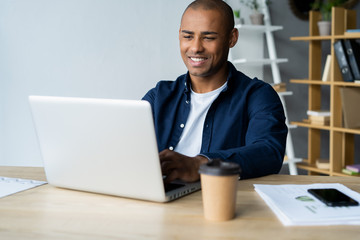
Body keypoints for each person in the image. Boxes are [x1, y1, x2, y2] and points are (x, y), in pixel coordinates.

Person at [142, 0, 287, 183]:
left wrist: (201, 165)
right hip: (161, 200)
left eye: (208, 38)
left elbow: (268, 152)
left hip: (222, 201)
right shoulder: (158, 96)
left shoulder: (258, 96)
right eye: (188, 36)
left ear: (232, 38)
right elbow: (125, 143)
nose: (195, 48)